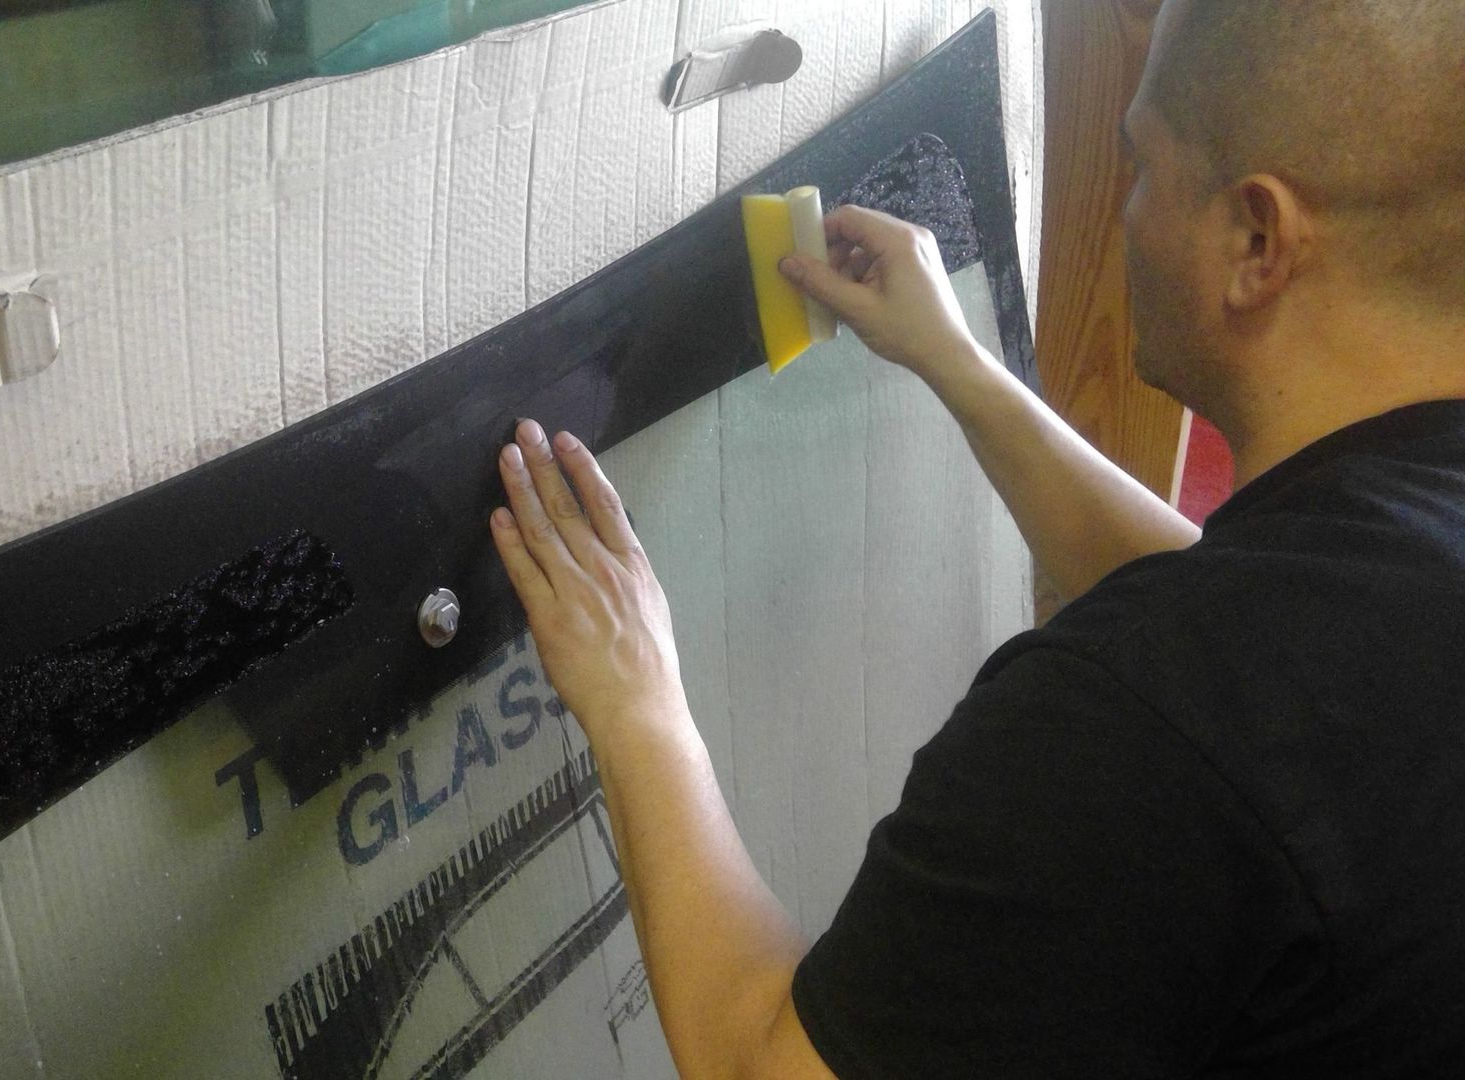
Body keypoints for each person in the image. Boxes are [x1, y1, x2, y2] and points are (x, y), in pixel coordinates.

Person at [486, 0, 1465, 1075]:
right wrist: (964, 369)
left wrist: (637, 703)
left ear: (1257, 241)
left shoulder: (1127, 737)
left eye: (1140, 164)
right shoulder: (1390, 548)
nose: (1126, 209)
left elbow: (756, 1065)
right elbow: (1259, 652)